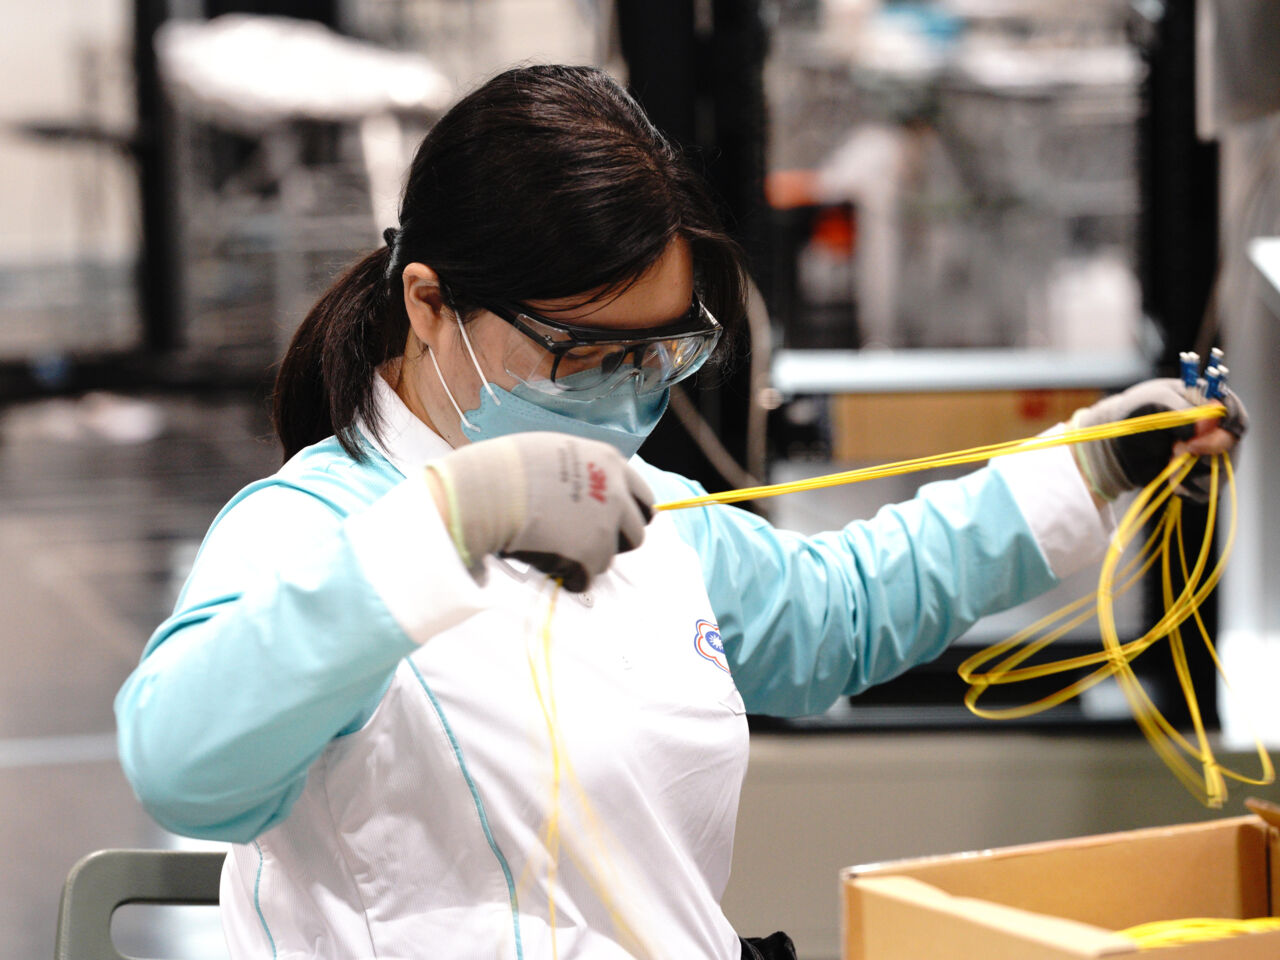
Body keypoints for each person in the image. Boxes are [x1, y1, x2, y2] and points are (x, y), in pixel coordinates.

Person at [115, 65, 1245, 960]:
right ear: (428, 304)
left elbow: (843, 612)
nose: (624, 391)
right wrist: (438, 535)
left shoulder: (656, 519)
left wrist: (1090, 465)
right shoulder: (306, 530)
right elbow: (185, 767)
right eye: (581, 353)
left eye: (658, 351)